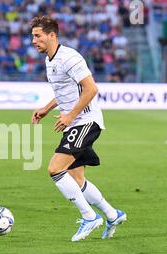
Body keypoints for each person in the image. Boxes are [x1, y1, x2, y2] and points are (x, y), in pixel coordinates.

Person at [30, 16, 126, 242]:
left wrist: (70, 115)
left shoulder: (70, 57)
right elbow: (65, 90)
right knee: (75, 177)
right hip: (74, 122)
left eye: (37, 36)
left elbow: (91, 89)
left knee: (55, 169)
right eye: (33, 36)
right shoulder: (49, 60)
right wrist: (46, 108)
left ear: (52, 35)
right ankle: (113, 214)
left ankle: (89, 217)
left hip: (85, 121)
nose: (33, 40)